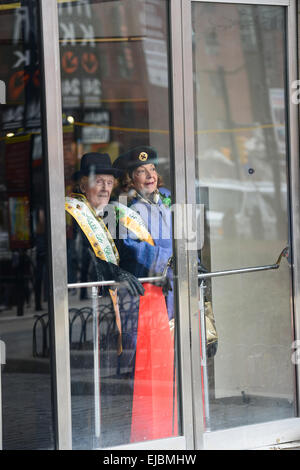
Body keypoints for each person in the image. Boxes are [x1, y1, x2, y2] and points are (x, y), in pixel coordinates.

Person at [65, 152, 154, 446]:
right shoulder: (72, 214)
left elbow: (128, 257)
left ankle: (105, 433)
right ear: (81, 184)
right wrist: (111, 272)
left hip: (108, 309)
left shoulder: (111, 214)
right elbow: (76, 259)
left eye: (108, 182)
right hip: (80, 306)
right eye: (97, 182)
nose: (104, 188)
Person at [113, 145, 177, 443]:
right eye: (141, 171)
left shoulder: (164, 203)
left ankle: (170, 427)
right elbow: (131, 248)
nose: (149, 175)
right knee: (149, 364)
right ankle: (150, 433)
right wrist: (165, 260)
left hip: (169, 292)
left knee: (168, 364)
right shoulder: (126, 208)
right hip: (147, 294)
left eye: (152, 170)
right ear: (131, 178)